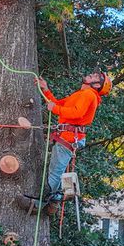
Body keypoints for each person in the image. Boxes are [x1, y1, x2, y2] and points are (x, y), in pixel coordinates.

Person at [35, 71, 110, 206]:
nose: (90, 74)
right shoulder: (80, 94)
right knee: (55, 170)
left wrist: (55, 109)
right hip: (67, 137)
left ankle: (41, 203)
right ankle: (53, 199)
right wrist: (46, 90)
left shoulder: (89, 95)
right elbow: (58, 104)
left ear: (97, 84)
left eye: (93, 76)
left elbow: (77, 112)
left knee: (55, 172)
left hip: (69, 138)